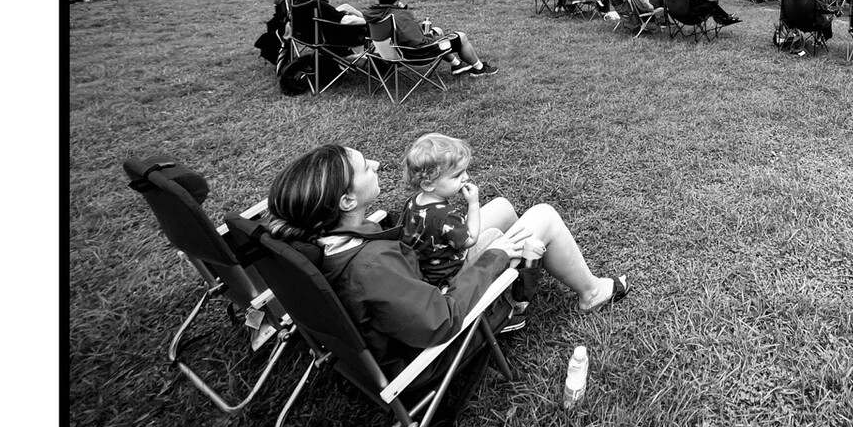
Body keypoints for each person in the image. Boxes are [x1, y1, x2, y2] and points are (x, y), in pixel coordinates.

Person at [265, 145, 627, 376]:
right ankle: (591, 292)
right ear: (345, 202)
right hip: (435, 348)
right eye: (364, 168)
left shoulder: (327, 245)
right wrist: (495, 259)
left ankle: (524, 277)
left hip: (422, 288)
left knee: (500, 209)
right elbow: (441, 320)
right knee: (544, 215)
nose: (375, 163)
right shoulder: (370, 266)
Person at [365, 0, 497, 76]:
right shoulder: (400, 15)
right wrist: (430, 38)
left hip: (389, 53)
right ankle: (479, 68)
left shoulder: (374, 14)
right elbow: (417, 41)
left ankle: (456, 65)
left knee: (438, 30)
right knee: (460, 36)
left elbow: (403, 34)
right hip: (416, 53)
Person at [399, 133, 480, 288]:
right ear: (428, 185)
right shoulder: (445, 216)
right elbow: (471, 239)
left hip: (426, 273)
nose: (466, 177)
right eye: (457, 175)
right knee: (496, 235)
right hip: (452, 274)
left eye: (465, 171)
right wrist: (474, 204)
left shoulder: (414, 201)